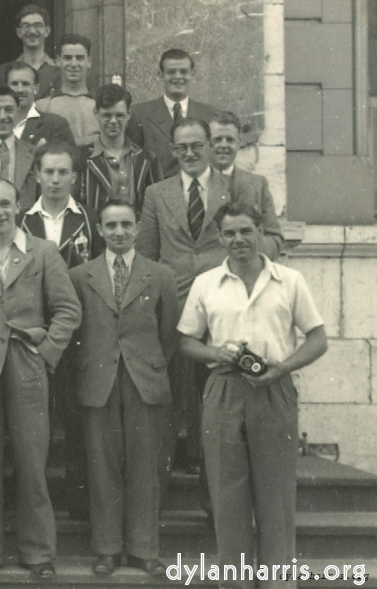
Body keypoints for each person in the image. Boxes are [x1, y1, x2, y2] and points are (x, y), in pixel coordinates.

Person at [178, 201, 327, 589]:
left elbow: (318, 338)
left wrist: (284, 367)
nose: (238, 239)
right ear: (219, 238)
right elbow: (186, 342)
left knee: (276, 498)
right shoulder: (206, 283)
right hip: (224, 390)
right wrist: (216, 352)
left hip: (274, 389)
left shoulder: (289, 281)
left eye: (246, 231)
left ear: (260, 232)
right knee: (228, 500)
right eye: (229, 233)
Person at [136, 117, 285, 482]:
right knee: (174, 387)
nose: (189, 153)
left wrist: (242, 259)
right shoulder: (157, 193)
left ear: (209, 145)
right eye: (181, 147)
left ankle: (212, 472)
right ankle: (170, 463)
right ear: (173, 151)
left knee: (221, 389)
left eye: (196, 146)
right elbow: (147, 254)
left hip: (225, 299)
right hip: (174, 304)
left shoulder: (236, 189)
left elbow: (270, 239)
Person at [0, 179, 81, 579]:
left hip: (27, 367)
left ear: (19, 206)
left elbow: (68, 310)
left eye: (5, 204)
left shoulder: (43, 252)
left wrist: (46, 351)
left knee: (32, 462)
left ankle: (38, 551)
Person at [68, 199, 178, 577]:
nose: (119, 232)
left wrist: (146, 362)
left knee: (145, 465)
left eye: (126, 224)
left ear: (137, 229)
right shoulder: (79, 276)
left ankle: (144, 549)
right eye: (111, 225)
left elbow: (169, 332)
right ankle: (107, 549)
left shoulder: (160, 275)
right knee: (103, 465)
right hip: (98, 379)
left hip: (144, 379)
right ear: (99, 230)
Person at [19, 142, 102, 520]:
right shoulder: (22, 220)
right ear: (37, 175)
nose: (55, 179)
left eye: (62, 172)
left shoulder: (89, 218)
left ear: (74, 177)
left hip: (78, 327)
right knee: (30, 416)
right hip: (33, 329)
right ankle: (29, 500)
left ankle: (78, 498)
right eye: (48, 172)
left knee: (75, 412)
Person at [126, 48, 216, 177]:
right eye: (171, 72)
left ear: (192, 74)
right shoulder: (139, 114)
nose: (178, 77)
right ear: (160, 75)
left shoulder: (209, 115)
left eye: (184, 72)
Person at [80, 84, 162, 212]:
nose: (113, 121)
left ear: (129, 114)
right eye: (107, 115)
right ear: (96, 113)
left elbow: (158, 205)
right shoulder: (82, 159)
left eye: (119, 115)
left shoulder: (147, 159)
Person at [208, 111, 283, 245]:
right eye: (217, 140)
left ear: (239, 143)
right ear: (207, 143)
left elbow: (274, 237)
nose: (224, 145)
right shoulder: (191, 183)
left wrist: (252, 252)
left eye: (230, 140)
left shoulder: (258, 184)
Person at [34, 34, 100, 146]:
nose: (73, 64)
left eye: (79, 58)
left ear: (89, 62)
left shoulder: (103, 106)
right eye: (67, 58)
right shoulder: (42, 107)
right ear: (58, 61)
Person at [0, 4, 61, 100]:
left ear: (47, 31)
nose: (32, 31)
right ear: (19, 32)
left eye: (37, 25)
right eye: (26, 26)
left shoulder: (60, 72)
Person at [6, 62, 75, 147]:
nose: (20, 90)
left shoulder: (55, 125)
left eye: (25, 84)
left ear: (36, 89)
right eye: (14, 84)